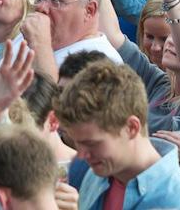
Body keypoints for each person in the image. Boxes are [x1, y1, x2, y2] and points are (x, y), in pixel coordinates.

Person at [55, 59, 180, 206]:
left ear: (132, 128)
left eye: (92, 144)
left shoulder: (171, 200)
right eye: (77, 143)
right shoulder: (97, 174)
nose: (81, 155)